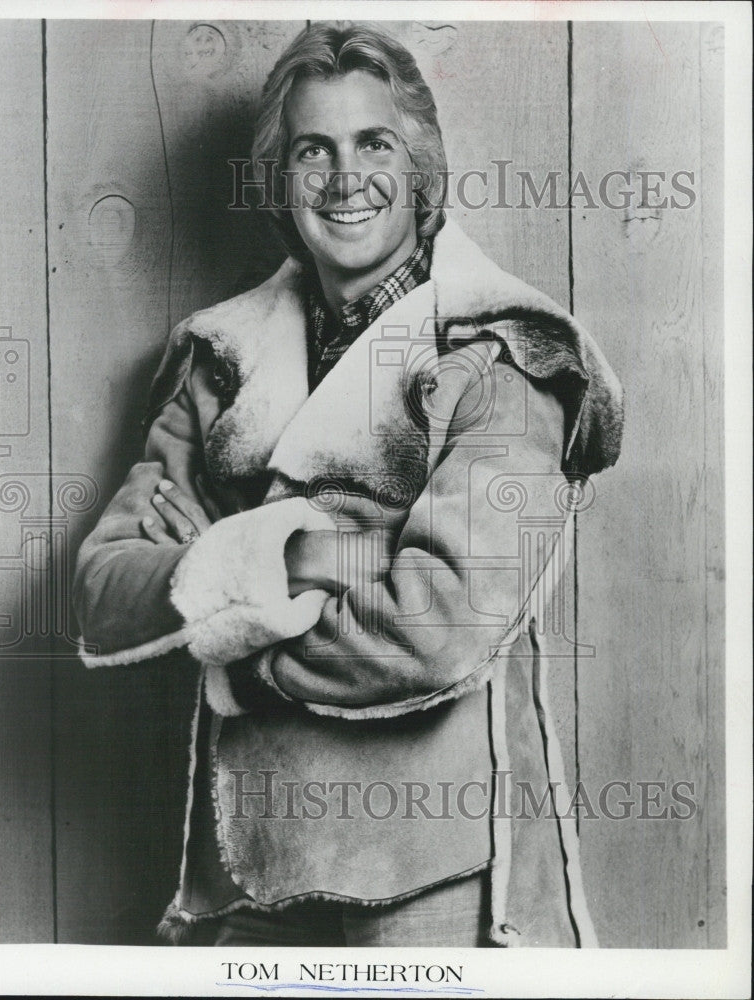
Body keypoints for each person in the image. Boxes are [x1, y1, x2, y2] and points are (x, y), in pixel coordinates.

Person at [73, 21, 623, 948]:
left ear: (421, 170)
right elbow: (101, 590)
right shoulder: (219, 358)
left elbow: (438, 625)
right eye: (311, 150)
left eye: (376, 143)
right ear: (280, 181)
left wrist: (225, 595)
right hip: (243, 867)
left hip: (439, 872)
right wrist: (328, 554)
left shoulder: (505, 356)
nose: (344, 177)